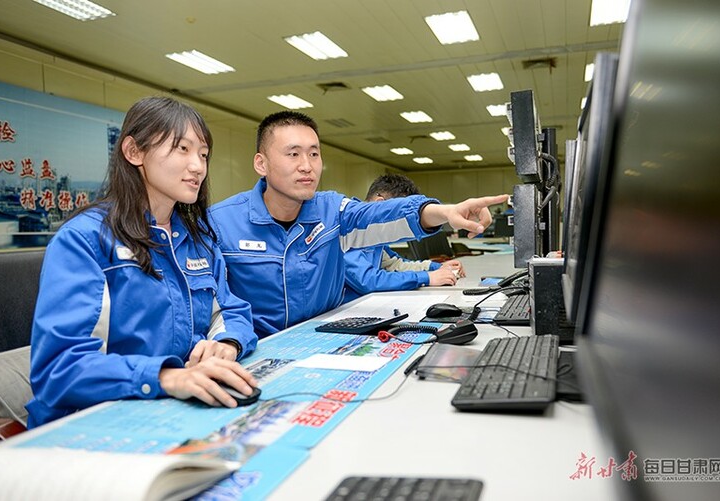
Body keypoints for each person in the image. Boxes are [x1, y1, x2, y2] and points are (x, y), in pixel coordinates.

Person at [26, 96, 259, 429]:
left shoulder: (198, 241)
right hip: (90, 422)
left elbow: (231, 311)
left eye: (203, 154)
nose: (197, 166)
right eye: (182, 149)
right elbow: (59, 370)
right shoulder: (84, 240)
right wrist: (165, 377)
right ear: (134, 152)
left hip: (172, 408)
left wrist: (227, 343)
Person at [208, 111, 507, 339]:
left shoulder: (331, 212)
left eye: (314, 154)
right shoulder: (221, 223)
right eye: (293, 154)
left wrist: (444, 212)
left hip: (325, 337)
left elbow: (378, 215)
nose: (307, 165)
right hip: (258, 347)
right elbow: (214, 309)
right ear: (261, 164)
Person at [342, 173, 466, 303]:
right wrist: (426, 278)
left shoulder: (372, 233)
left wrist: (436, 267)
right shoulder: (347, 226)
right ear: (380, 204)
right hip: (344, 310)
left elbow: (394, 264)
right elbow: (367, 280)